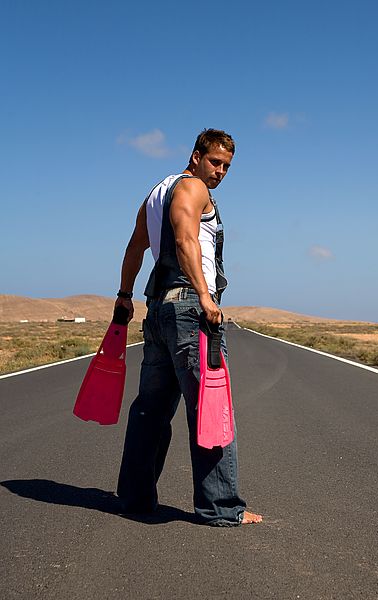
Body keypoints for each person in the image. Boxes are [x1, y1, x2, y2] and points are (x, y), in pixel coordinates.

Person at [114, 128, 262, 526]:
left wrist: (124, 295)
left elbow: (135, 247)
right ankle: (221, 508)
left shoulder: (156, 193)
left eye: (227, 166)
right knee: (212, 408)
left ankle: (134, 497)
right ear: (196, 155)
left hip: (158, 312)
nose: (220, 172)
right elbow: (185, 240)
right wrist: (205, 297)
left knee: (151, 410)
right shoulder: (192, 188)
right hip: (189, 311)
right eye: (215, 162)